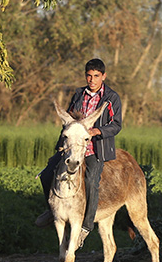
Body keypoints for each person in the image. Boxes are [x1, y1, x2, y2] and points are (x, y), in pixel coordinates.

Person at [36, 58, 122, 248]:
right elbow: (67, 120)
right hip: (71, 147)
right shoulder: (78, 94)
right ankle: (51, 211)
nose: (92, 80)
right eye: (89, 76)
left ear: (103, 76)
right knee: (47, 174)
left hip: (93, 148)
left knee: (91, 181)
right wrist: (61, 145)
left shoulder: (112, 98)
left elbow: (116, 125)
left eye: (96, 76)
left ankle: (86, 225)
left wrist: (96, 132)